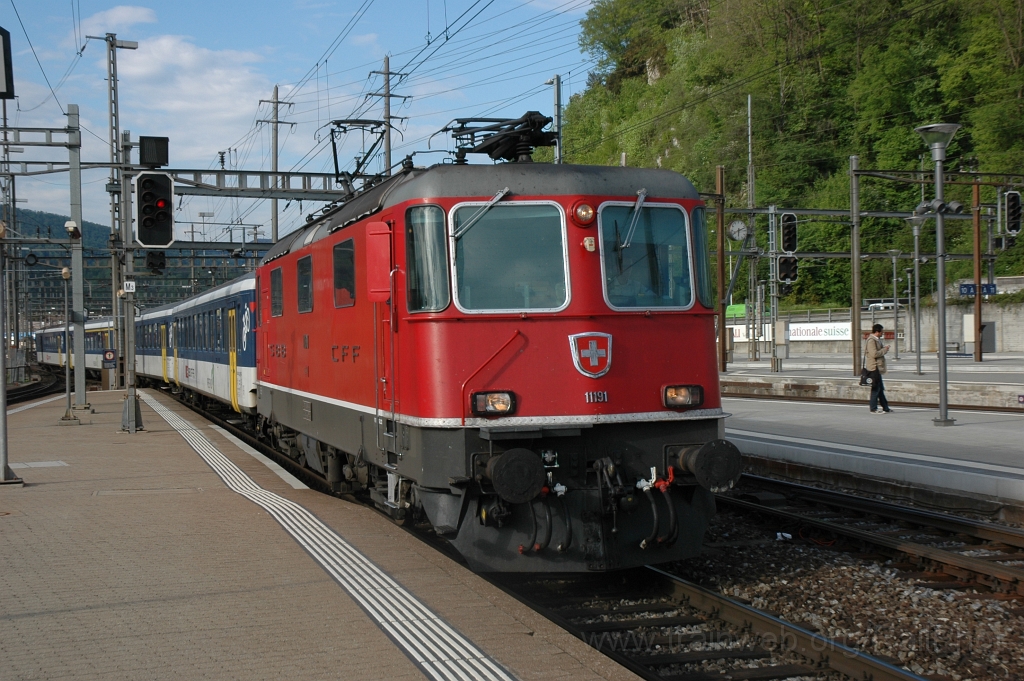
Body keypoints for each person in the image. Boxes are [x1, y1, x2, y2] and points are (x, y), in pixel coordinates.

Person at [864, 323, 892, 414]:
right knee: (876, 389)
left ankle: (885, 407)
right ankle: (873, 408)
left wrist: (884, 349)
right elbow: (874, 354)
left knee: (880, 388)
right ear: (877, 332)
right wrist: (884, 350)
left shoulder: (877, 340)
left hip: (877, 367)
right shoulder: (871, 340)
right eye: (881, 332)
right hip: (874, 367)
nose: (882, 333)